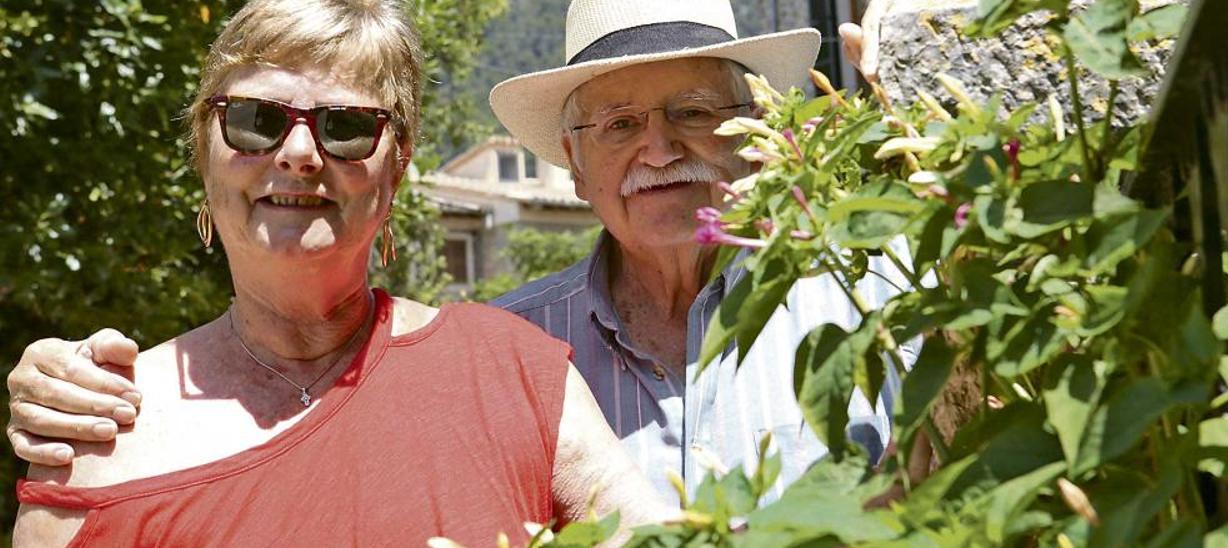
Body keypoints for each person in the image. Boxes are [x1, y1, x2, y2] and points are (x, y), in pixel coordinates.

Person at [6, 0, 912, 511]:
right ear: (574, 165)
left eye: (692, 114)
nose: (659, 151)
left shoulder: (884, 300)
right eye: (620, 125)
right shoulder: (519, 346)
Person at [9, 0, 668, 545]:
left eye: (346, 126)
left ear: (397, 165)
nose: (298, 154)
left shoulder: (514, 373)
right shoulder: (100, 428)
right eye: (256, 120)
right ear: (204, 151)